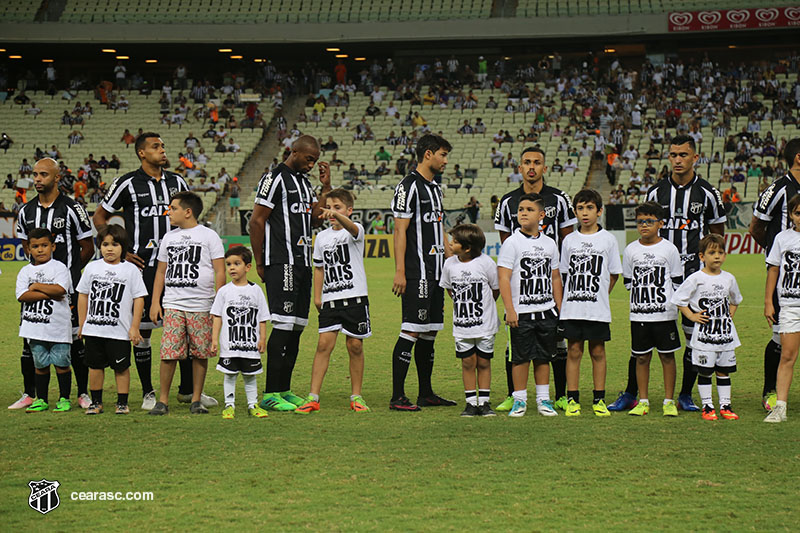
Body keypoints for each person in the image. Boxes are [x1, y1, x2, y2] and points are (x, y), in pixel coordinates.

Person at [611, 134, 726, 412]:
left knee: (691, 336)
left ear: (695, 158)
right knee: (644, 336)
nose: (677, 160)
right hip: (656, 279)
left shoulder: (708, 193)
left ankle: (685, 394)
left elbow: (717, 235)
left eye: (683, 155)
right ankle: (631, 393)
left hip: (692, 276)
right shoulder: (656, 192)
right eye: (673, 154)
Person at [93, 132, 205, 411]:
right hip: (141, 265)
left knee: (186, 324)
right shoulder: (127, 183)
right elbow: (100, 216)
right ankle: (148, 392)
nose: (162, 150)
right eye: (156, 147)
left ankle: (187, 390)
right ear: (142, 153)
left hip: (177, 265)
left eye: (163, 146)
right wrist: (120, 248)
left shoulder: (177, 181)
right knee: (143, 331)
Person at [249, 135, 332, 412]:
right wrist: (260, 262)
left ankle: (284, 388)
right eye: (308, 158)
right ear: (293, 152)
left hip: (302, 262)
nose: (311, 164)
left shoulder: (303, 183)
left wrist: (326, 187)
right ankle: (270, 392)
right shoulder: (274, 179)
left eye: (315, 160)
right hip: (280, 261)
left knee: (296, 327)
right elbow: (257, 220)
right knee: (282, 326)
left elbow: (314, 218)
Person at [493, 147, 576, 412]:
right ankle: (516, 395)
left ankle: (555, 395)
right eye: (527, 162)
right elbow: (507, 251)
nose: (531, 167)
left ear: (544, 167)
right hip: (522, 292)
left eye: (537, 162)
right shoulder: (508, 202)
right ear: (520, 167)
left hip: (550, 288)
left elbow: (568, 239)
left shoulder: (559, 199)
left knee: (553, 346)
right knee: (516, 347)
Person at [10, 158, 94, 411]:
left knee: (74, 342)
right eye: (35, 174)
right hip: (35, 290)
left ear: (57, 178)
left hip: (65, 293)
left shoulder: (73, 208)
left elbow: (87, 246)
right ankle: (29, 393)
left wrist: (65, 276)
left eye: (43, 174)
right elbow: (26, 246)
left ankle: (82, 393)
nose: (37, 179)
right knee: (30, 340)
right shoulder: (25, 211)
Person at [389, 134, 456, 411]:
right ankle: (397, 396)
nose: (445, 160)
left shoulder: (435, 188)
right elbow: (400, 230)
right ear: (428, 154)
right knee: (412, 330)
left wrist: (451, 263)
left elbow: (439, 228)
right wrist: (401, 272)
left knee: (430, 332)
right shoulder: (408, 187)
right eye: (442, 154)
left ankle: (426, 393)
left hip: (437, 272)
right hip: (417, 272)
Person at [148, 192, 226, 415]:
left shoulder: (209, 236)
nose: (169, 212)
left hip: (201, 304)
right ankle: (162, 401)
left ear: (188, 212)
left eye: (173, 208)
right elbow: (161, 271)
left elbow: (220, 271)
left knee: (200, 354)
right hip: (173, 303)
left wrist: (217, 304)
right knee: (169, 353)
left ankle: (196, 399)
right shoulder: (169, 238)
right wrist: (155, 302)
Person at [294, 189, 371, 414]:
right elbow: (319, 268)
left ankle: (356, 396)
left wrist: (338, 216)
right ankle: (313, 397)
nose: (331, 211)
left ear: (349, 210)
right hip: (331, 300)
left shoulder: (355, 231)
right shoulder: (322, 237)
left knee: (355, 345)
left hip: (355, 298)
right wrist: (317, 297)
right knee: (323, 345)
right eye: (329, 207)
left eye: (337, 207)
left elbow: (352, 228)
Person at [497, 193, 563, 417]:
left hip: (546, 311)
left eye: (529, 209)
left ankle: (543, 400)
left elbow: (555, 277)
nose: (523, 213)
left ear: (541, 215)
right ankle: (519, 400)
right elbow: (504, 278)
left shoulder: (550, 243)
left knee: (544, 357)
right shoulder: (511, 243)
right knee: (520, 357)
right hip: (521, 312)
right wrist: (510, 309)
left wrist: (559, 307)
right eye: (521, 209)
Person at [558, 189, 621, 417]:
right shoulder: (569, 241)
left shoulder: (608, 240)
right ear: (575, 212)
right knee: (574, 351)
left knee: (597, 351)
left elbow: (614, 274)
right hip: (573, 308)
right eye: (580, 208)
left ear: (599, 211)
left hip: (597, 309)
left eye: (590, 208)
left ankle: (599, 399)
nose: (585, 213)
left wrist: (600, 295)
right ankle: (573, 399)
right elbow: (564, 274)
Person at [749, 137, 800, 412]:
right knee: (780, 337)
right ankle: (770, 391)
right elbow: (756, 226)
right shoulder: (778, 189)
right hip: (785, 279)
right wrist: (775, 254)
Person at [76, 225, 147, 415]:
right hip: (94, 330)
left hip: (119, 331)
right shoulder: (92, 268)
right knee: (95, 366)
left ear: (123, 247)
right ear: (99, 246)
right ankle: (96, 402)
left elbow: (139, 298)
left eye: (115, 244)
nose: (109, 248)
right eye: (105, 244)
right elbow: (83, 295)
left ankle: (122, 403)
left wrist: (134, 327)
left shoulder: (131, 270)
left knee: (121, 368)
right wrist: (82, 323)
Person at [672, 233, 742, 421]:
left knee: (724, 371)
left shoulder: (729, 278)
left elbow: (735, 300)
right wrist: (692, 316)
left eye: (720, 252)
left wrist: (729, 315)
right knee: (705, 371)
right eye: (712, 252)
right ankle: (707, 406)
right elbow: (679, 300)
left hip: (725, 335)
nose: (717, 256)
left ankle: (725, 406)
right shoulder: (696, 278)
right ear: (702, 256)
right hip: (704, 337)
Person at [622, 202, 684, 417]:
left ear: (661, 223)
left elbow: (677, 282)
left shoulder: (669, 249)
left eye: (649, 221)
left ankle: (668, 400)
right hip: (639, 314)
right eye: (640, 222)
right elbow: (628, 282)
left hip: (664, 314)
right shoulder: (631, 250)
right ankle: (644, 401)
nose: (644, 225)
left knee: (667, 357)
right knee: (641, 357)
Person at [440, 224, 499, 417]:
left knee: (483, 362)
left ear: (467, 248)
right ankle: (470, 403)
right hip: (462, 327)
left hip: (484, 325)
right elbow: (449, 288)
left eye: (455, 241)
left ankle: (484, 402)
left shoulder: (486, 263)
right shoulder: (449, 264)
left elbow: (495, 288)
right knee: (467, 362)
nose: (450, 243)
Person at [16, 228, 74, 413]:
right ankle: (41, 399)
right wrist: (47, 291)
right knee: (40, 365)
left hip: (58, 327)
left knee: (62, 364)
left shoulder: (59, 267)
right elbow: (22, 295)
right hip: (34, 328)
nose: (40, 250)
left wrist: (36, 286)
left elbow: (60, 290)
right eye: (35, 246)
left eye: (44, 245)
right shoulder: (25, 271)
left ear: (53, 246)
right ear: (28, 249)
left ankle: (64, 399)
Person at [211, 246, 270, 419]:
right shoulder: (224, 292)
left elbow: (262, 318)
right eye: (228, 264)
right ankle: (229, 406)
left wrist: (263, 339)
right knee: (230, 375)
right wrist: (214, 339)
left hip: (250, 344)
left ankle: (253, 405)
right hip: (230, 345)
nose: (232, 268)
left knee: (250, 376)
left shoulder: (256, 290)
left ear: (248, 267)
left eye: (237, 263)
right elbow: (217, 316)